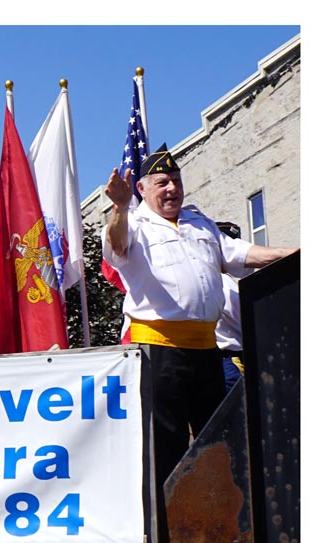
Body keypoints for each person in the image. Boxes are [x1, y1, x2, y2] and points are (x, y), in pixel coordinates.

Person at [103, 144, 296, 482]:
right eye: (162, 182)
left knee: (217, 442)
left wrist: (292, 252)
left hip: (208, 350)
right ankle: (168, 529)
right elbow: (116, 244)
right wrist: (119, 207)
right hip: (160, 351)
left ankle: (220, 524)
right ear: (142, 189)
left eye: (176, 180)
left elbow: (241, 253)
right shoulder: (135, 224)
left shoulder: (200, 223)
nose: (172, 188)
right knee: (167, 445)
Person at [215, 222, 245, 393]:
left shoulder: (223, 280)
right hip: (230, 359)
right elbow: (243, 320)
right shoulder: (224, 282)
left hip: (223, 359)